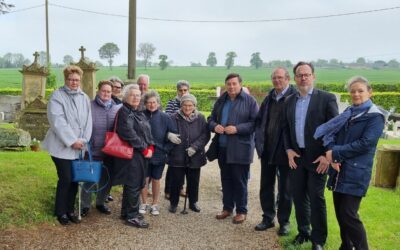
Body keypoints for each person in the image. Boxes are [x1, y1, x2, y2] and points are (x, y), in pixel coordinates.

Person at [315, 76, 385, 250]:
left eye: (360, 90)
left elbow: (365, 143)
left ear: (370, 92)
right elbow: (332, 135)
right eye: (353, 91)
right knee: (341, 214)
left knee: (349, 215)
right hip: (339, 170)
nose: (356, 94)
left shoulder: (375, 117)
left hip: (356, 172)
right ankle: (346, 246)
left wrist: (335, 153)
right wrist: (333, 154)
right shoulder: (348, 113)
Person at [283, 62, 338, 249]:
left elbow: (335, 129)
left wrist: (327, 155)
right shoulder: (289, 100)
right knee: (298, 196)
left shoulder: (326, 99)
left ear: (313, 76)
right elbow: (285, 128)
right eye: (299, 75)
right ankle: (303, 232)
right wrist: (288, 149)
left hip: (318, 158)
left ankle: (318, 240)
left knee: (316, 198)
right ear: (295, 78)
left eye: (307, 74)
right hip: (297, 156)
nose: (303, 78)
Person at [42, 65, 92, 225]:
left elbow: (88, 121)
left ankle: (70, 210)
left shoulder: (84, 97)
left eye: (76, 79)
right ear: (66, 79)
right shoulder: (57, 96)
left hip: (79, 147)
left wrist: (84, 140)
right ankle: (60, 212)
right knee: (66, 177)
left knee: (75, 179)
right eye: (71, 79)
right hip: (61, 147)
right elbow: (57, 121)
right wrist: (72, 141)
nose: (74, 82)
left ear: (80, 80)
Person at [208, 73, 258, 224]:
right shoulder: (221, 100)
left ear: (240, 84)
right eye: (228, 84)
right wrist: (214, 126)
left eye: (234, 84)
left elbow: (255, 123)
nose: (231, 86)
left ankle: (242, 211)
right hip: (222, 147)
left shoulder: (249, 101)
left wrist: (237, 128)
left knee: (240, 181)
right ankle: (227, 208)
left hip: (240, 149)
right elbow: (210, 119)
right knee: (226, 179)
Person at [254, 67, 296, 235]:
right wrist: (259, 142)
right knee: (266, 186)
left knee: (285, 189)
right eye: (274, 78)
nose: (277, 81)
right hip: (268, 149)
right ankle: (267, 218)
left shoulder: (294, 97)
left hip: (286, 151)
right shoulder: (269, 98)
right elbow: (259, 122)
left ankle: (284, 222)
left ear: (287, 79)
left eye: (280, 78)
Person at [113, 84, 154, 228]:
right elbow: (127, 133)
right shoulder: (125, 111)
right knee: (133, 183)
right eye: (132, 95)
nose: (136, 97)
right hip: (131, 154)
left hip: (139, 153)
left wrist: (151, 145)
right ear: (126, 97)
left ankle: (127, 212)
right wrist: (144, 149)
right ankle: (132, 216)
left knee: (134, 183)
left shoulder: (138, 111)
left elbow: (147, 130)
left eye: (138, 95)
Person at [80, 80, 121, 217]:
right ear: (98, 91)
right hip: (93, 149)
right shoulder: (89, 106)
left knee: (106, 179)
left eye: (109, 91)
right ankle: (85, 205)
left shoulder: (117, 108)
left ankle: (100, 202)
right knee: (89, 178)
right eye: (103, 91)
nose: (106, 94)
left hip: (110, 151)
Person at [168, 94, 210, 213]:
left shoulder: (201, 117)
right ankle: (173, 203)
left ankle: (193, 202)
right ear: (181, 106)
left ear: (194, 106)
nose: (187, 108)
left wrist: (195, 147)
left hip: (195, 155)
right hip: (177, 154)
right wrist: (168, 135)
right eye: (185, 105)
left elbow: (205, 135)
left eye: (190, 105)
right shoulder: (173, 117)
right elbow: (166, 130)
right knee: (176, 181)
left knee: (193, 180)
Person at [139, 90, 178, 215]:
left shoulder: (165, 117)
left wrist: (166, 149)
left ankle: (155, 204)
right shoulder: (140, 115)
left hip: (159, 154)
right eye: (149, 102)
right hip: (143, 153)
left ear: (158, 103)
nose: (151, 105)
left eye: (154, 102)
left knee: (156, 179)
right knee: (144, 179)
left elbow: (174, 136)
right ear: (145, 103)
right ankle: (143, 203)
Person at [164, 80, 191, 199]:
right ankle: (168, 190)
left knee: (185, 165)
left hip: (187, 138)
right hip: (174, 137)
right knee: (172, 166)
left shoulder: (191, 102)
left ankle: (180, 188)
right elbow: (168, 118)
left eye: (185, 90)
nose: (183, 92)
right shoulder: (172, 102)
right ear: (177, 91)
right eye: (181, 90)